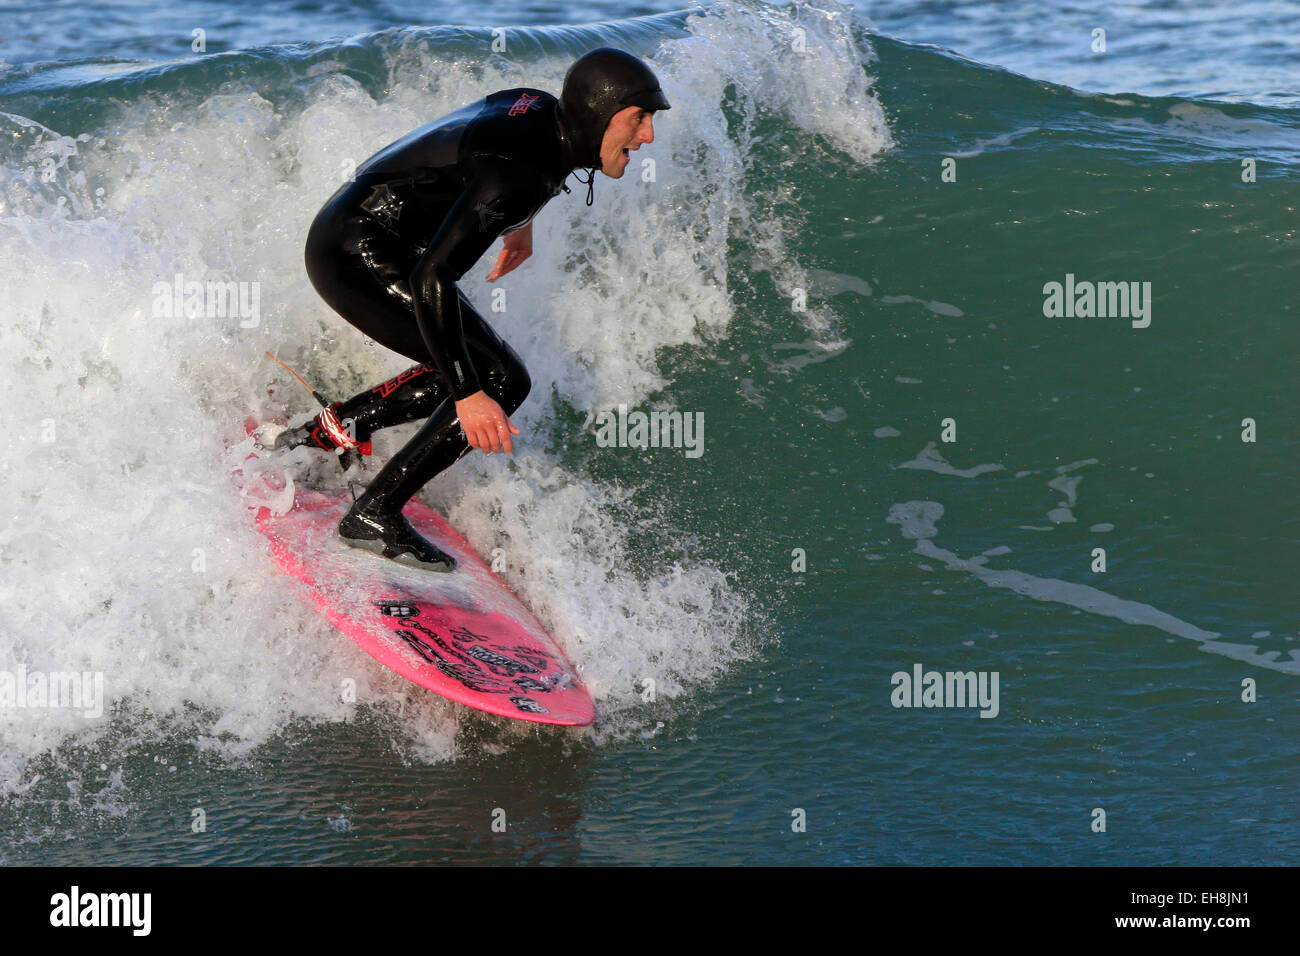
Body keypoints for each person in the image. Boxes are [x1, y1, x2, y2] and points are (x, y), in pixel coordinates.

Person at [278, 48, 670, 571]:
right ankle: (374, 514)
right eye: (638, 119)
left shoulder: (535, 107)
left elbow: (476, 155)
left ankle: (322, 437)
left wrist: (516, 223)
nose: (647, 137)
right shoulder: (516, 178)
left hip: (355, 229)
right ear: (599, 115)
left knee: (471, 361)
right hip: (355, 253)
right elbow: (431, 276)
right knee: (495, 379)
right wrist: (468, 396)